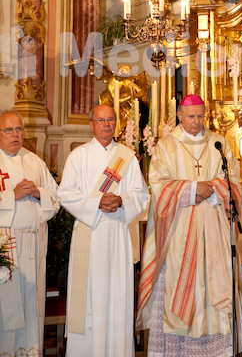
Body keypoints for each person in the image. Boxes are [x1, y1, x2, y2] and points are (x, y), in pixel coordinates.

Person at [136, 94, 242, 357]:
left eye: (200, 116)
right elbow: (159, 186)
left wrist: (213, 189)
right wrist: (191, 189)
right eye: (191, 117)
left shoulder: (219, 143)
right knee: (179, 285)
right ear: (179, 115)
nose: (197, 122)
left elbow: (232, 180)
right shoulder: (166, 145)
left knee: (215, 286)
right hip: (179, 231)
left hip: (213, 230)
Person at [58, 104, 149, 357]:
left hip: (117, 232)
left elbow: (141, 195)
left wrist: (121, 201)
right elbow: (65, 194)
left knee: (117, 294)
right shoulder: (79, 156)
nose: (107, 124)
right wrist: (97, 202)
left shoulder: (126, 156)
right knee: (89, 298)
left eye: (111, 119)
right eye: (101, 120)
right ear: (91, 124)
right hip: (90, 231)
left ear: (116, 123)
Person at [0, 109, 59, 357]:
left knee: (31, 304)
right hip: (5, 245)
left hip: (33, 246)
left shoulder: (35, 161)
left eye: (19, 129)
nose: (16, 134)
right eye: (9, 130)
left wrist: (38, 193)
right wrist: (12, 195)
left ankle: (30, 352)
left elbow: (56, 197)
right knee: (7, 307)